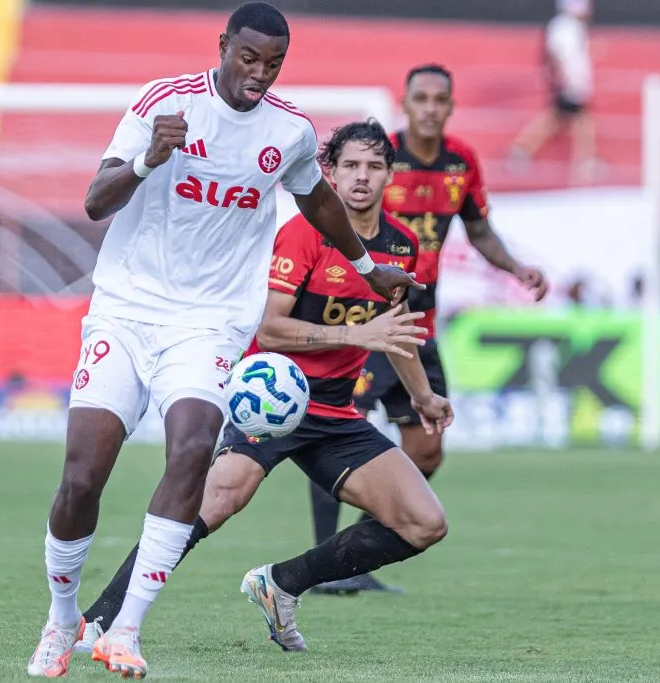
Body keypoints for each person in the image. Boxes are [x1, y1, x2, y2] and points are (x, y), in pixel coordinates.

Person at [24, 3, 421, 679]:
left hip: (209, 321)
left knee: (189, 451)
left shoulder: (290, 130)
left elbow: (316, 197)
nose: (258, 75)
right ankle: (63, 620)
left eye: (273, 64)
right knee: (83, 475)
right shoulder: (164, 104)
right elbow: (96, 200)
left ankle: (125, 629)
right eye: (248, 59)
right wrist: (152, 158)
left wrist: (365, 265)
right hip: (125, 309)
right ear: (223, 47)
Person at [70, 118, 452, 657]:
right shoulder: (302, 232)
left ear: (390, 174)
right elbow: (270, 329)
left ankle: (282, 583)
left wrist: (421, 395)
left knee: (424, 522)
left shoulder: (402, 244)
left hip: (336, 414)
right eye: (350, 167)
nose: (361, 177)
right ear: (330, 174)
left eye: (373, 166)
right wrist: (354, 333)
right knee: (216, 501)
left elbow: (397, 332)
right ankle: (100, 619)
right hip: (270, 404)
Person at [307, 63, 550, 595]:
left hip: (422, 324)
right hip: (368, 321)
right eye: (421, 98)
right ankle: (325, 569)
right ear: (407, 102)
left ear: (450, 106)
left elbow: (479, 229)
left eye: (441, 99)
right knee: (337, 434)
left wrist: (515, 268)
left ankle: (352, 555)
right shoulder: (378, 161)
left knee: (428, 451)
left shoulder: (461, 162)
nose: (431, 108)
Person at [508, 0, 601, 184]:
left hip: (575, 82)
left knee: (565, 119)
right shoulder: (563, 27)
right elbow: (557, 54)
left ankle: (522, 150)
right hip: (570, 83)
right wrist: (563, 79)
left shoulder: (573, 27)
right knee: (573, 119)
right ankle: (586, 160)